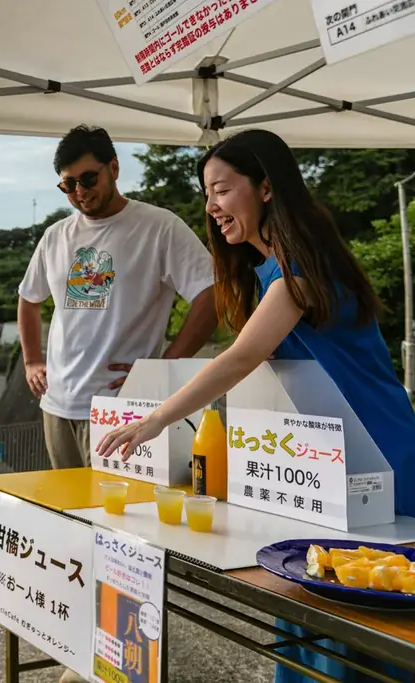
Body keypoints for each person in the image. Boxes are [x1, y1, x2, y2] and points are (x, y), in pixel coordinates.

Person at [97, 129, 415, 683]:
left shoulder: (299, 271)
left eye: (222, 190)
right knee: (319, 602)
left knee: (368, 613)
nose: (211, 207)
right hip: (326, 465)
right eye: (206, 194)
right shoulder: (271, 270)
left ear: (266, 187)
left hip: (378, 458)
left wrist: (153, 420)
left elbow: (240, 358)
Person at [18, 124, 218, 474]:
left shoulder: (159, 227)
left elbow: (213, 294)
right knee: (68, 505)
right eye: (69, 184)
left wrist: (164, 366)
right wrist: (32, 360)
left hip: (123, 408)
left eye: (88, 179)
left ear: (113, 168)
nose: (80, 192)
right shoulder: (55, 236)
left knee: (119, 506)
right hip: (56, 405)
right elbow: (28, 298)